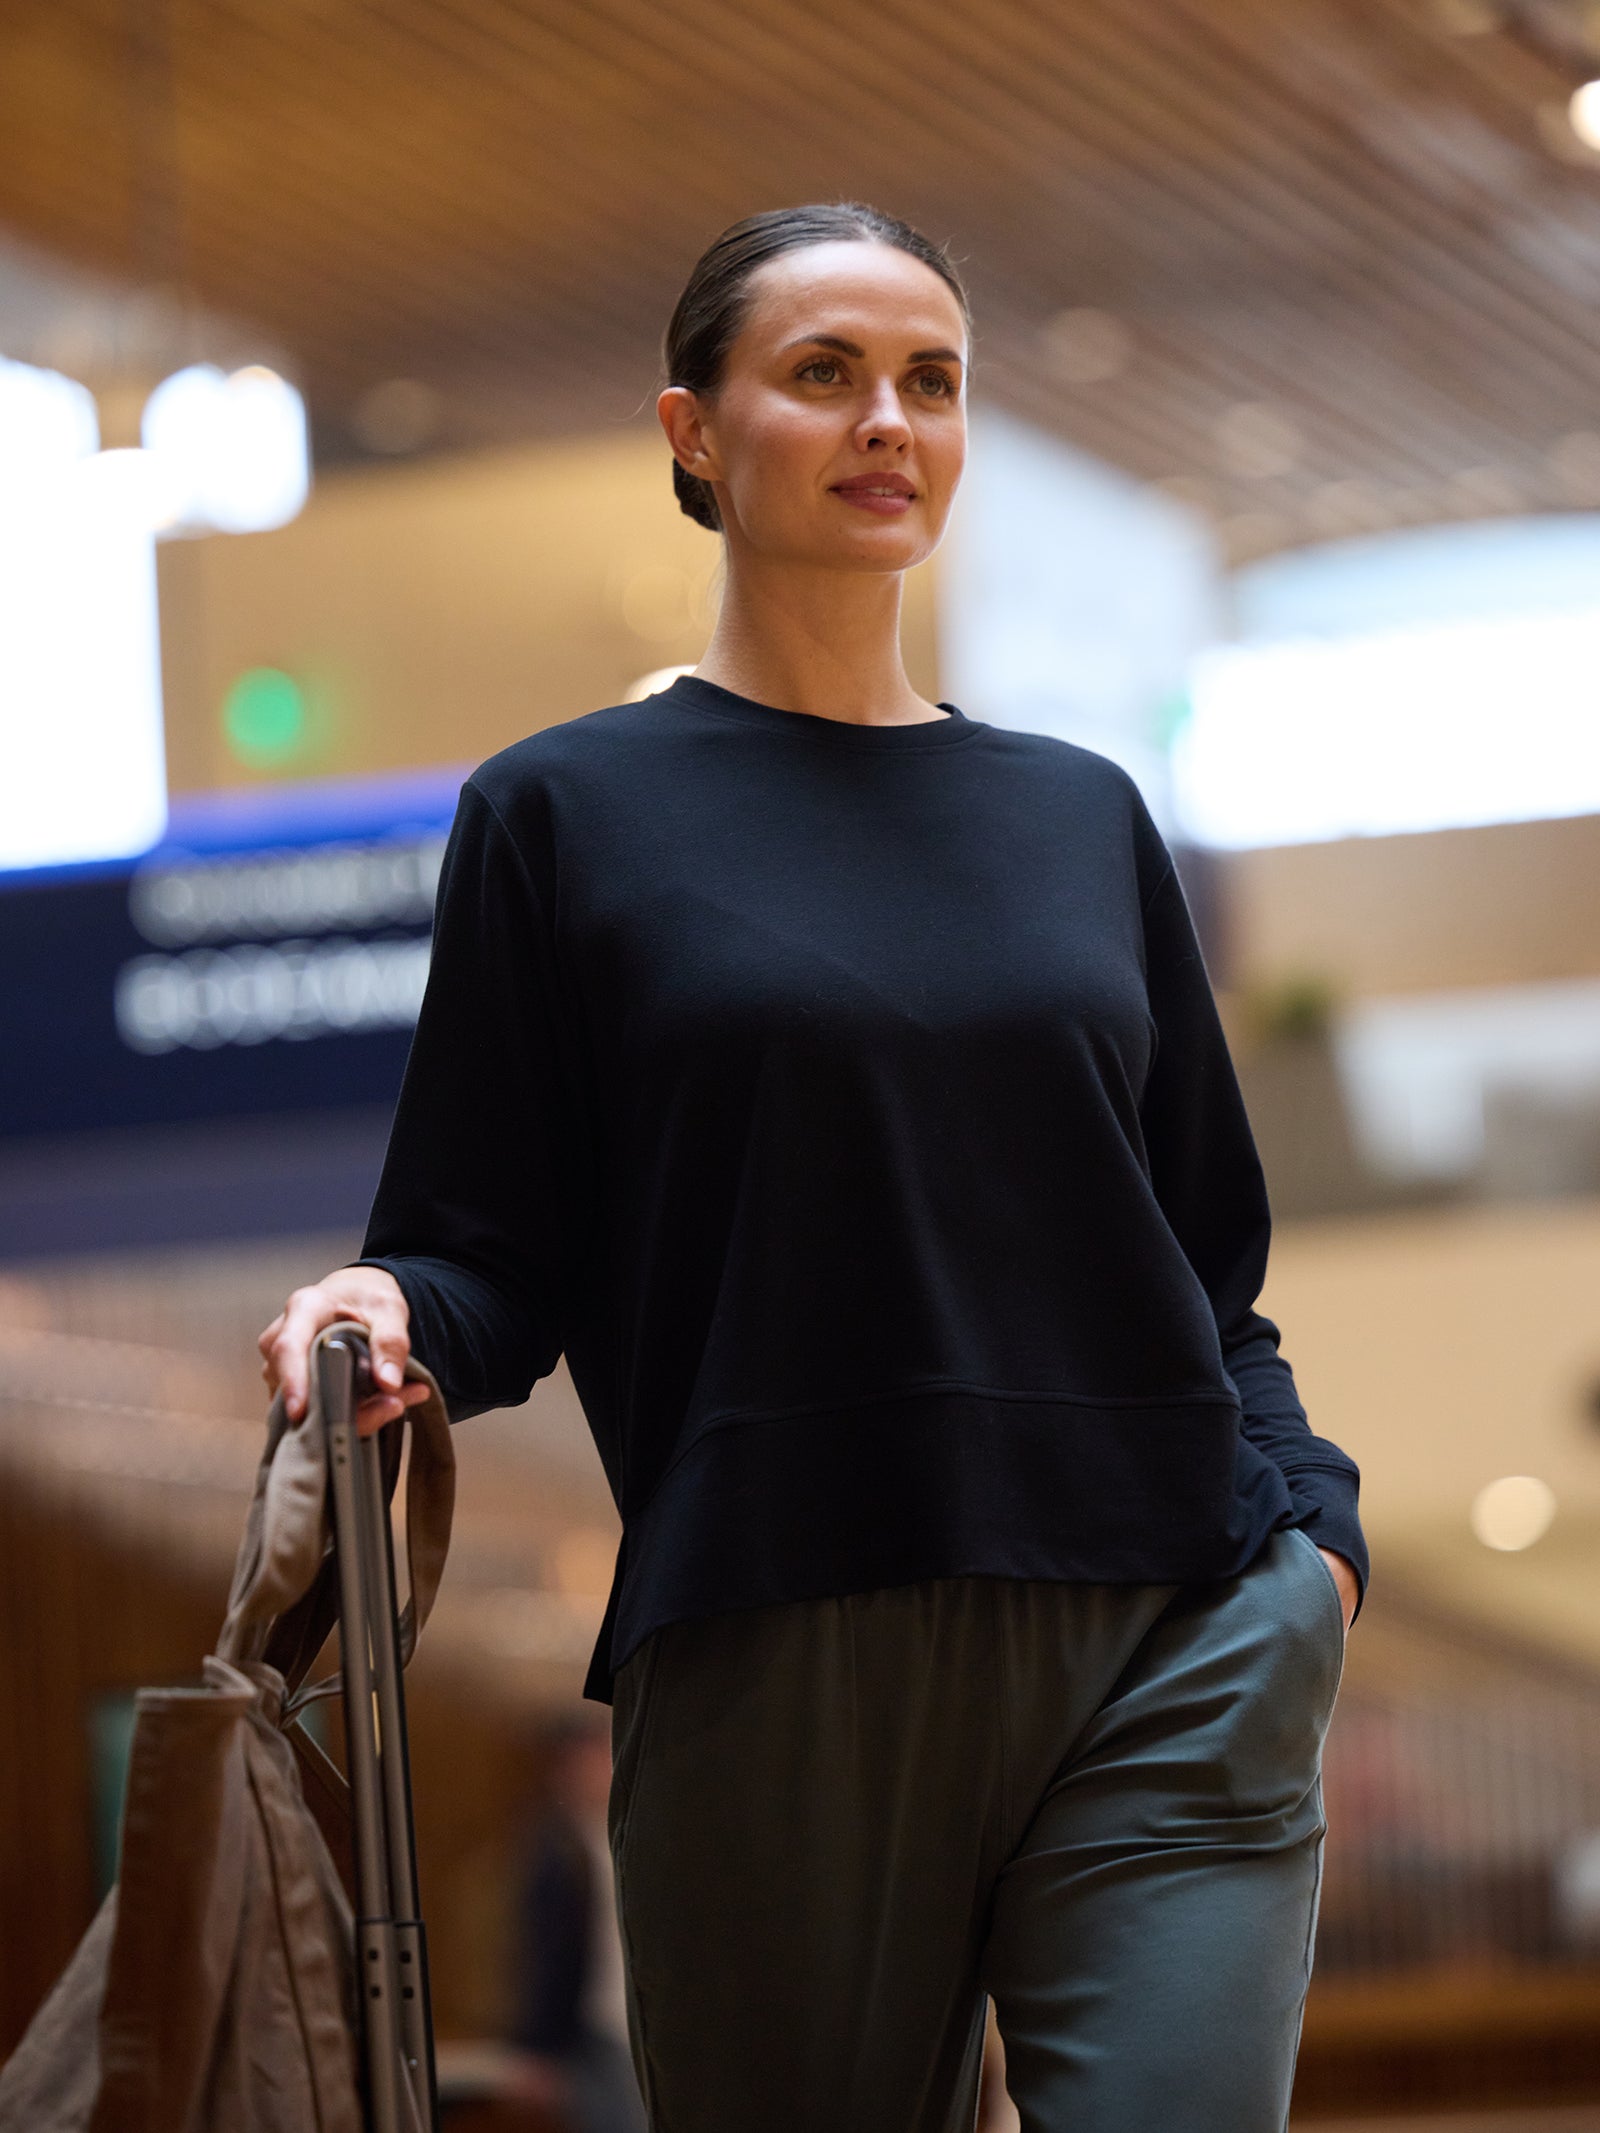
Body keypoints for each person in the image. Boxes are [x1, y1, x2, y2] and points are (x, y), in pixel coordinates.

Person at [260, 200, 1368, 2133]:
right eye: (827, 374)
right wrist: (392, 1303)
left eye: (931, 382)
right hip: (783, 1636)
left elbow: (1210, 1269)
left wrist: (1313, 1551)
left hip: (1179, 1614)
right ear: (693, 429)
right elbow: (485, 1243)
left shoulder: (1081, 815)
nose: (891, 424)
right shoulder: (561, 811)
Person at [502, 1713, 647, 2133]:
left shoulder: (620, 1836)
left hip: (630, 2020)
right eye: (596, 1756)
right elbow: (540, 1951)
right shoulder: (557, 1849)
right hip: (592, 2027)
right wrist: (536, 2047)